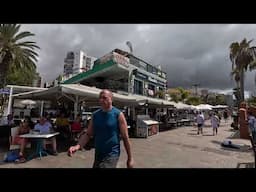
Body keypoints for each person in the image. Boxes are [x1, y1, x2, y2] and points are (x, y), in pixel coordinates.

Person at [68, 89, 134, 168]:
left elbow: (125, 137)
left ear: (111, 99)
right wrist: (77, 146)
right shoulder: (95, 115)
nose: (101, 100)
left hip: (112, 154)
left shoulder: (118, 114)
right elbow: (88, 134)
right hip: (98, 153)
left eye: (104, 98)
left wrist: (130, 158)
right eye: (100, 98)